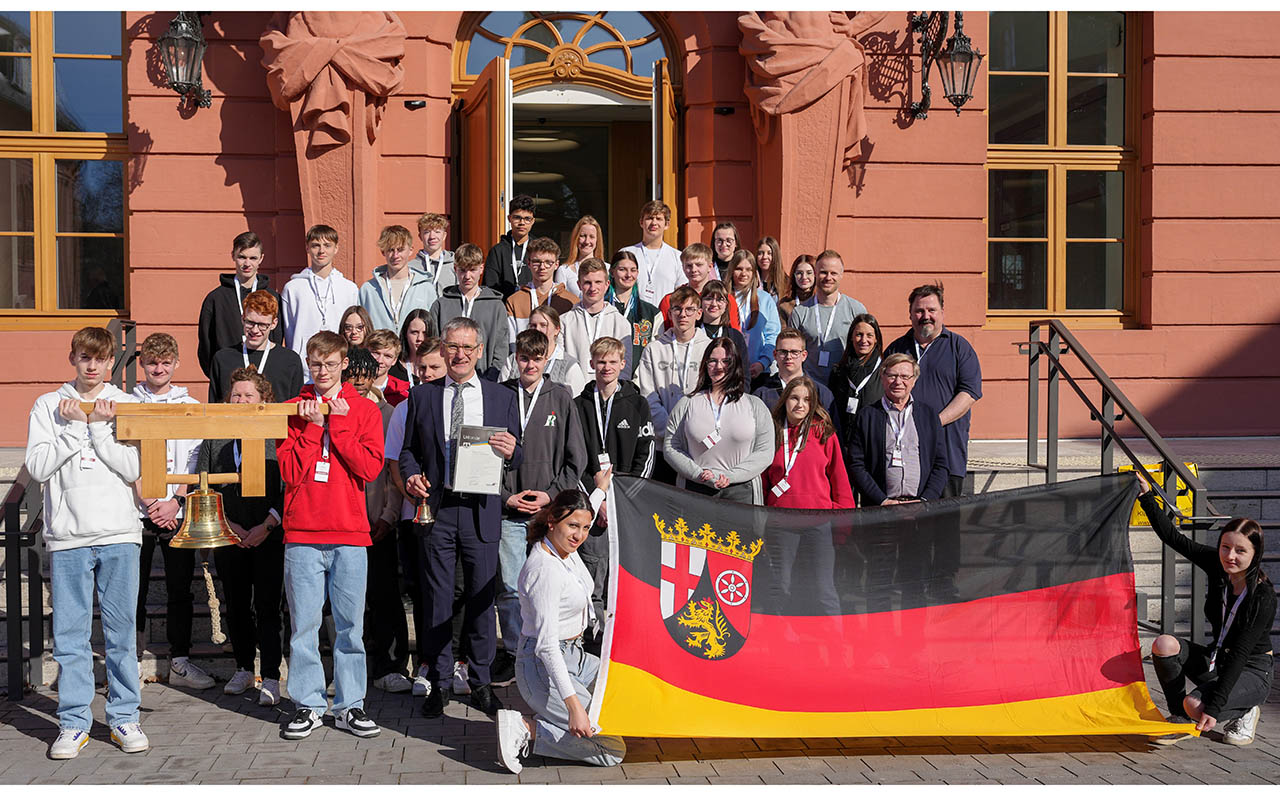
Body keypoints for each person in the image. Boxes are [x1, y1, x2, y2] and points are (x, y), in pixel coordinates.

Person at [26, 327, 149, 759]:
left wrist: (98, 429)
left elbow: (135, 465)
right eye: (84, 357)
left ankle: (123, 716)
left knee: (119, 634)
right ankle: (74, 722)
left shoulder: (128, 403)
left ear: (112, 361)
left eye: (99, 358)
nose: (92, 365)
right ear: (73, 358)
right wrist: (74, 429)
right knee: (70, 637)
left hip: (118, 532)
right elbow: (38, 467)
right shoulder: (47, 405)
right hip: (68, 537)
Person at [398, 317, 522, 719]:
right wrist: (411, 474)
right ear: (443, 349)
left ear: (480, 350)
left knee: (482, 599)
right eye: (453, 346)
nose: (460, 355)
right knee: (435, 598)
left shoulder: (501, 397)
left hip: (482, 509)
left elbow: (517, 454)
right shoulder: (425, 396)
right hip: (438, 509)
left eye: (468, 348)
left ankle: (482, 681)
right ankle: (438, 680)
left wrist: (510, 449)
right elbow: (408, 452)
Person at [277, 331, 386, 740]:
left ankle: (350, 705)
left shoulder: (364, 409)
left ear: (344, 363)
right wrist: (310, 427)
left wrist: (336, 426)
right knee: (304, 626)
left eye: (330, 363)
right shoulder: (293, 408)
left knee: (349, 627)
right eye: (315, 363)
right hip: (302, 531)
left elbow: (370, 469)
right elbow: (288, 472)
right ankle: (307, 703)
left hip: (349, 532)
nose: (322, 371)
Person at [1138, 472, 1276, 747]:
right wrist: (1147, 496)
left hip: (1252, 670)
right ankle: (1179, 718)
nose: (1230, 556)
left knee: (1196, 703)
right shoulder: (1218, 565)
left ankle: (1246, 709)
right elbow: (1173, 538)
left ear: (1254, 555)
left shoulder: (1263, 597)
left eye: (1240, 551)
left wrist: (1213, 709)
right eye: (1225, 548)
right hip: (1218, 659)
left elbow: (1239, 655)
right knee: (1165, 644)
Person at [496, 486, 626, 774]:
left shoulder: (565, 548)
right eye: (572, 526)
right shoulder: (546, 569)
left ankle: (552, 718)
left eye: (585, 528)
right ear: (552, 521)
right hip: (542, 668)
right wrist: (574, 709)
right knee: (612, 749)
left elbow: (579, 511)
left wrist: (600, 490)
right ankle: (527, 729)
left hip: (575, 656)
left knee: (623, 694)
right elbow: (546, 647)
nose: (579, 535)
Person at [497, 329, 589, 691]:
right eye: (524, 357)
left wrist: (551, 496)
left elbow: (575, 458)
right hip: (510, 509)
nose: (530, 364)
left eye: (537, 358)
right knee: (509, 588)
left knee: (551, 586)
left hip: (547, 512)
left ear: (547, 358)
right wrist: (506, 495)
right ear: (515, 357)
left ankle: (548, 655)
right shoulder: (501, 394)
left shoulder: (561, 396)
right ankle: (518, 654)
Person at [201, 368, 286, 707]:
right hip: (229, 532)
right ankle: (242, 667)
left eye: (248, 395)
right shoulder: (215, 436)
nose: (240, 400)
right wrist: (230, 525)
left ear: (264, 400)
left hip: (267, 533)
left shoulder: (276, 436)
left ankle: (271, 675)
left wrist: (267, 525)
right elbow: (203, 483)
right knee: (236, 604)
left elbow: (287, 486)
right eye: (235, 395)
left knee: (267, 606)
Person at [130, 333, 208, 689]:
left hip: (176, 510)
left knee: (180, 589)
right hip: (137, 510)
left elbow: (194, 455)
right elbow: (127, 457)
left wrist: (176, 500)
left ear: (176, 364)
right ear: (142, 364)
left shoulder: (188, 403)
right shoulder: (128, 403)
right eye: (152, 362)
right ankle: (130, 658)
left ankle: (180, 659)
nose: (158, 369)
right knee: (134, 589)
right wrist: (149, 500)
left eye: (165, 362)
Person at [343, 347, 412, 694]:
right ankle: (348, 669)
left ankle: (391, 664)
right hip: (341, 523)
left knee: (385, 595)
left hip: (376, 521)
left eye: (361, 382)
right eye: (349, 382)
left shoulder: (387, 414)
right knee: (346, 601)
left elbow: (392, 471)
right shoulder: (333, 413)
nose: (356, 388)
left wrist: (388, 515)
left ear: (372, 379)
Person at [574, 336, 655, 627]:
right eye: (601, 362)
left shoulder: (637, 403)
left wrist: (621, 500)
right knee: (592, 575)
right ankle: (593, 641)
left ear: (623, 364)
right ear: (591, 364)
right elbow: (576, 459)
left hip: (626, 508)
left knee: (622, 578)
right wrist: (598, 499)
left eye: (612, 362)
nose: (606, 367)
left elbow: (646, 455)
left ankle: (617, 641)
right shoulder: (579, 405)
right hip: (592, 507)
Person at [381, 336, 446, 696]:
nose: (425, 374)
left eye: (434, 367)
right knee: (422, 592)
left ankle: (455, 662)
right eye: (421, 368)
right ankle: (424, 662)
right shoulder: (406, 407)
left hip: (452, 515)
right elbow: (394, 463)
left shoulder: (455, 403)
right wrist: (414, 498)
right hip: (415, 516)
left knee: (453, 590)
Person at [884, 284, 982, 497]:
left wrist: (933, 423)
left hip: (946, 451)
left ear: (942, 313)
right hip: (901, 456)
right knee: (906, 524)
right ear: (910, 314)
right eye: (919, 311)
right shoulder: (896, 348)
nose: (925, 316)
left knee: (944, 524)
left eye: (931, 310)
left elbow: (969, 393)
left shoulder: (959, 347)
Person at [664, 337, 774, 503]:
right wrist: (698, 474)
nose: (719, 367)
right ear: (705, 364)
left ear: (736, 364)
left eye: (726, 361)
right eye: (713, 361)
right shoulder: (687, 403)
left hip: (741, 491)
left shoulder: (755, 405)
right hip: (695, 488)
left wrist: (729, 476)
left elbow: (764, 452)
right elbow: (671, 447)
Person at [844, 353, 949, 506]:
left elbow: (941, 464)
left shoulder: (929, 416)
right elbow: (856, 464)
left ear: (914, 380)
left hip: (921, 509)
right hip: (880, 510)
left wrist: (926, 500)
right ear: (882, 377)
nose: (898, 382)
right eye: (892, 376)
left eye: (905, 376)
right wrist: (881, 500)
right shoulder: (867, 416)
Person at [635, 286, 711, 484]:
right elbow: (648, 394)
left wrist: (694, 431)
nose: (683, 315)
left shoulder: (710, 348)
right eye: (677, 309)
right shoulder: (654, 349)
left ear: (699, 313)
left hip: (699, 444)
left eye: (689, 310)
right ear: (669, 313)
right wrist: (670, 431)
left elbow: (713, 395)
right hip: (663, 445)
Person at [196, 231, 283, 379]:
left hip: (264, 378)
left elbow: (277, 337)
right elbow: (206, 345)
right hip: (227, 377)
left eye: (253, 258)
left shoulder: (272, 297)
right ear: (233, 256)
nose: (247, 264)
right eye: (242, 257)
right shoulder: (215, 298)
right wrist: (218, 373)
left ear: (261, 258)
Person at [762, 375, 854, 510]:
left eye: (807, 400)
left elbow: (839, 478)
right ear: (784, 400)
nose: (800, 405)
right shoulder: (771, 432)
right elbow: (763, 480)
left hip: (818, 519)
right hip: (778, 518)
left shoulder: (824, 432)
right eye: (794, 398)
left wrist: (843, 521)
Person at [281, 224, 360, 379]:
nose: (321, 251)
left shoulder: (349, 288)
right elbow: (290, 330)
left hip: (339, 367)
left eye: (327, 245)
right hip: (304, 367)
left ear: (336, 248)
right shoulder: (293, 288)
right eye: (316, 245)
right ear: (307, 248)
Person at [208, 289, 304, 404]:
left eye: (263, 325)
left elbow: (296, 407)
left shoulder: (290, 361)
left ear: (274, 324)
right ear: (243, 319)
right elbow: (213, 405)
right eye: (250, 322)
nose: (255, 330)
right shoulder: (223, 359)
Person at [788, 249, 867, 385]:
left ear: (841, 275)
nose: (828, 278)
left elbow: (866, 351)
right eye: (823, 272)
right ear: (816, 274)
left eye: (834, 273)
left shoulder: (856, 310)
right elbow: (791, 352)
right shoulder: (800, 312)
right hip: (809, 386)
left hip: (845, 385)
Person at [431, 243, 508, 381]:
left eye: (472, 270)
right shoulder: (441, 304)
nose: (467, 276)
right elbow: (435, 343)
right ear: (455, 269)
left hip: (484, 377)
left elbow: (501, 347)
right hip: (447, 378)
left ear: (481, 268)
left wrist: (491, 377)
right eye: (462, 270)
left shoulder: (496, 305)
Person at [561, 258, 634, 383]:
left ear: (607, 285)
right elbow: (561, 364)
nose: (593, 288)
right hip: (574, 393)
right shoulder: (564, 321)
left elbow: (625, 367)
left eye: (598, 282)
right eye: (587, 282)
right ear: (579, 285)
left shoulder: (620, 322)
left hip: (610, 394)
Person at [360, 224, 440, 335]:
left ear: (410, 250)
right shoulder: (368, 289)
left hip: (415, 351)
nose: (395, 255)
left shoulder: (425, 288)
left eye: (400, 249)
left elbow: (433, 328)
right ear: (383, 252)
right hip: (379, 351)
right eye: (390, 250)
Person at [752, 328, 837, 420]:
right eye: (783, 352)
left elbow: (831, 431)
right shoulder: (761, 395)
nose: (789, 357)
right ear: (775, 355)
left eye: (794, 352)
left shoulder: (821, 393)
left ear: (804, 355)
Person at [500, 305, 588, 394]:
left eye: (543, 325)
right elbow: (500, 393)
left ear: (557, 330)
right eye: (533, 325)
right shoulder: (513, 360)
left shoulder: (569, 366)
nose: (538, 329)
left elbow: (576, 402)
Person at [504, 236, 578, 341]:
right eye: (536, 262)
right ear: (528, 263)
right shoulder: (514, 301)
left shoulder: (571, 301)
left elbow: (573, 340)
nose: (542, 267)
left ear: (556, 264)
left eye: (548, 262)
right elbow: (511, 342)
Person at [658, 243, 740, 331]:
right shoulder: (670, 300)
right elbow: (663, 336)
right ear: (683, 268)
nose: (693, 270)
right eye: (689, 265)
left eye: (699, 265)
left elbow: (734, 334)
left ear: (710, 267)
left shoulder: (724, 299)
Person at [620, 200, 686, 308]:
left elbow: (681, 294)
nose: (654, 223)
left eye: (659, 219)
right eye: (649, 218)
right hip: (631, 318)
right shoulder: (627, 253)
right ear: (641, 222)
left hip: (664, 319)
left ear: (667, 224)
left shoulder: (678, 257)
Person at [727, 250, 781, 380]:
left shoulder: (765, 299)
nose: (743, 273)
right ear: (731, 270)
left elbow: (773, 335)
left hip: (758, 372)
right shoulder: (723, 298)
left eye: (748, 269)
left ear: (754, 273)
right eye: (739, 269)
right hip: (729, 371)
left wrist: (763, 363)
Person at [606, 249, 661, 369]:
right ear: (612, 272)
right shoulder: (601, 308)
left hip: (638, 382)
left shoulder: (651, 313)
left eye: (633, 270)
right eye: (622, 270)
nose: (628, 275)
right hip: (604, 376)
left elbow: (656, 353)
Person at [829, 312, 885, 422]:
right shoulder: (838, 372)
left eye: (869, 335)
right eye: (859, 334)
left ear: (876, 339)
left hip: (871, 434)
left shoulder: (885, 371)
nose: (864, 340)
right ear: (851, 337)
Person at [698, 280, 751, 390]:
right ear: (701, 302)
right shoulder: (693, 332)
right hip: (698, 396)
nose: (714, 304)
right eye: (708, 298)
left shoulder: (735, 337)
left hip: (729, 397)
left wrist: (737, 398)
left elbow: (744, 375)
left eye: (719, 299)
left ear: (726, 304)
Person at [484, 194, 537, 299]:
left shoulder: (538, 250)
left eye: (527, 219)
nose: (522, 223)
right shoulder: (497, 251)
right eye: (517, 218)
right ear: (509, 218)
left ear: (533, 221)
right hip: (504, 309)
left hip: (535, 309)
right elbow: (489, 287)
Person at [555, 215, 608, 296]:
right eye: (583, 236)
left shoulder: (608, 270)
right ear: (576, 238)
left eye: (592, 237)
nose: (587, 241)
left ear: (597, 240)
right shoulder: (564, 271)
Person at [406, 213, 455, 299]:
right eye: (427, 232)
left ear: (444, 236)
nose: (432, 236)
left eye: (437, 232)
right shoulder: (411, 268)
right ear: (420, 236)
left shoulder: (455, 265)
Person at [391, 308, 437, 385]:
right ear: (405, 334)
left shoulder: (441, 369)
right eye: (414, 333)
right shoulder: (393, 367)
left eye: (425, 333)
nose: (420, 338)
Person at [366, 329, 410, 406]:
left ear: (394, 361)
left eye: (387, 356)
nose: (380, 360)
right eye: (376, 353)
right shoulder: (351, 387)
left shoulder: (402, 395)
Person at [777, 254, 815, 322]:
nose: (804, 277)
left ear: (815, 275)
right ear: (794, 275)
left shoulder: (821, 301)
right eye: (799, 273)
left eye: (809, 273)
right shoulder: (784, 304)